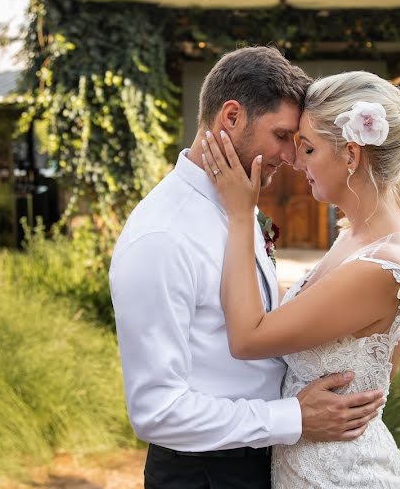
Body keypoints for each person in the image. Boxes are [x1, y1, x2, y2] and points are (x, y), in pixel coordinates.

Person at [109, 48, 386, 489]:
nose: (291, 158)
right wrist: (291, 417)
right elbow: (156, 412)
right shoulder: (161, 236)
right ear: (231, 117)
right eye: (281, 135)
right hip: (204, 475)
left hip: (258, 462)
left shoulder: (237, 203)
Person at [201, 70, 400, 488]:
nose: (296, 161)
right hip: (306, 465)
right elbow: (377, 369)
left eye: (307, 147)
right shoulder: (355, 237)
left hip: (340, 475)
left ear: (351, 155)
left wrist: (239, 213)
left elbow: (248, 338)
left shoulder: (381, 265)